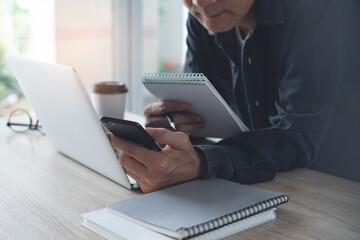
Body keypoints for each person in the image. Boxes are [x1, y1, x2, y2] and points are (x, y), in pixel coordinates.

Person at [109, 0, 360, 193]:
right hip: (264, 181)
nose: (200, 3)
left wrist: (203, 161)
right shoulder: (204, 18)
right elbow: (197, 116)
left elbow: (297, 134)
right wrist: (174, 129)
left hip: (334, 188)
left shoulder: (320, 9)